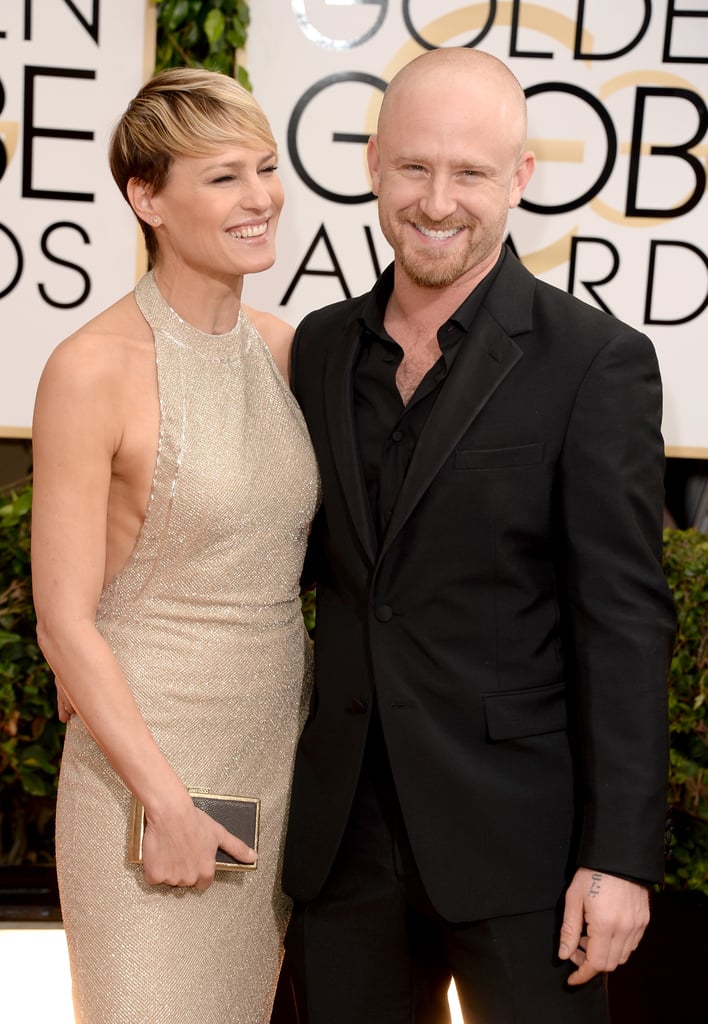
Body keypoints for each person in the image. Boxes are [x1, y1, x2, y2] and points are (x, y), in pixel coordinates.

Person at [280, 47, 676, 1023]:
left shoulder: (595, 363)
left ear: (521, 180)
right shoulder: (322, 346)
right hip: (345, 851)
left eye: (471, 172)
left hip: (526, 855)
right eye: (415, 166)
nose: (438, 200)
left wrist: (620, 858)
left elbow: (623, 623)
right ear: (373, 163)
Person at [31, 68, 319, 1024]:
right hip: (143, 773)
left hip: (276, 758)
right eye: (224, 176)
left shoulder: (285, 352)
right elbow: (65, 621)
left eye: (266, 168)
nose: (261, 197)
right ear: (145, 198)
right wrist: (165, 801)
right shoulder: (90, 369)